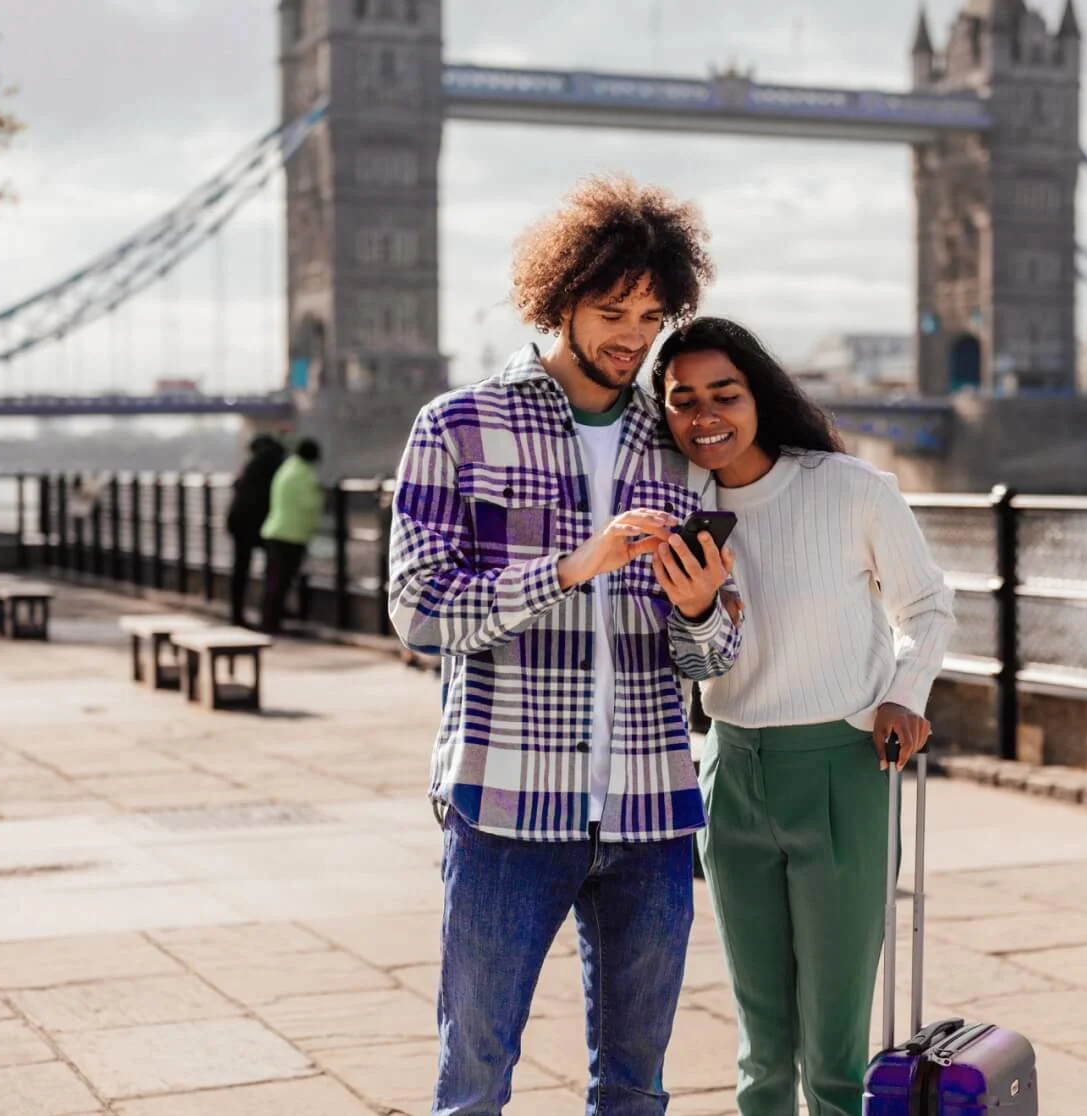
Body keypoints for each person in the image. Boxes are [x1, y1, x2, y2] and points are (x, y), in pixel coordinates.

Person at [388, 176, 743, 1116]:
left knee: (638, 1091)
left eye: (651, 313)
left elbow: (709, 665)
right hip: (505, 807)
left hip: (651, 818)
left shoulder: (678, 450)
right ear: (559, 300)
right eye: (611, 308)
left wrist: (706, 618)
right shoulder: (456, 427)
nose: (632, 333)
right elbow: (418, 612)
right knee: (473, 1087)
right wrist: (570, 568)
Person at [651, 317, 955, 1116]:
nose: (705, 415)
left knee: (834, 1048)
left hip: (840, 773)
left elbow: (926, 605)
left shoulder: (848, 488)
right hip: (728, 773)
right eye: (684, 401)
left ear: (759, 395)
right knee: (760, 1046)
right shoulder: (677, 508)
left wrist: (906, 691)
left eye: (725, 393)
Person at [259, 436, 323, 634]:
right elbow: (310, 504)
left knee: (273, 582)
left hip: (275, 532)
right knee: (280, 583)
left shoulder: (287, 469)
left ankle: (269, 622)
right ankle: (271, 625)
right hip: (290, 536)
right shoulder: (304, 475)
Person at [225, 434, 285, 627]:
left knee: (241, 569)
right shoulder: (275, 464)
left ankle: (237, 614)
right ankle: (270, 613)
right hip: (255, 524)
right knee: (275, 566)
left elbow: (236, 486)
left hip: (239, 521)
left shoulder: (250, 465)